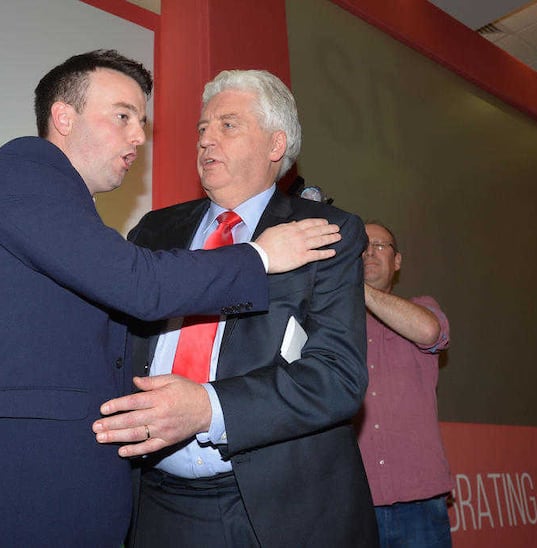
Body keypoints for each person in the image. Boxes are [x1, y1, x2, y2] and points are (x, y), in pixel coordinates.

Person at [0, 50, 342, 547]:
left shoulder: (60, 212)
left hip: (72, 488)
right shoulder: (26, 164)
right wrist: (259, 256)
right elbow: (141, 287)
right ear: (63, 117)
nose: (138, 137)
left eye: (141, 122)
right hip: (21, 484)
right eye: (123, 116)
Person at [89, 70, 378, 547]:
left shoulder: (326, 232)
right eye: (202, 129)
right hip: (155, 503)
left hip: (276, 508)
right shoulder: (154, 231)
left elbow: (337, 376)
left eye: (228, 125)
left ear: (275, 145)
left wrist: (209, 408)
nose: (206, 141)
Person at [355, 221, 452, 547]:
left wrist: (355, 287)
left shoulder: (423, 306)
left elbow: (429, 332)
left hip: (419, 499)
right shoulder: (331, 323)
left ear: (398, 261)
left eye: (379, 245)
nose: (369, 251)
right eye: (362, 246)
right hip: (355, 503)